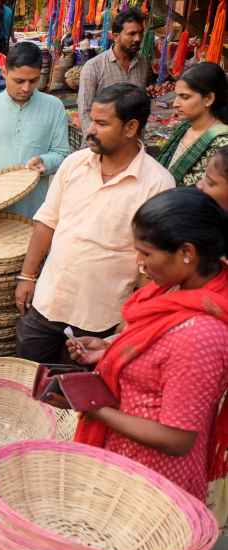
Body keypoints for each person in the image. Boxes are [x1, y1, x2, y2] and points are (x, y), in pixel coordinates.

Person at [63, 188, 228, 503]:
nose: (139, 264)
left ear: (187, 253)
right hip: (126, 458)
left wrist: (96, 411)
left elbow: (177, 438)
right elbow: (157, 351)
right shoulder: (179, 290)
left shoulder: (200, 336)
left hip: (153, 480)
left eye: (146, 253)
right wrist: (110, 347)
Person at [15, 83, 175, 363]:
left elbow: (149, 266)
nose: (89, 129)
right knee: (29, 384)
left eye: (102, 123)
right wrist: (27, 276)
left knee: (73, 398)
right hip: (47, 302)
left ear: (130, 127)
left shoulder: (157, 184)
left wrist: (128, 323)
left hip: (98, 319)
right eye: (92, 120)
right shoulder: (75, 164)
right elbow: (47, 221)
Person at [0, 43, 70, 217]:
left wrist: (45, 162)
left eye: (33, 81)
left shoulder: (54, 107)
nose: (26, 88)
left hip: (33, 208)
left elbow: (61, 153)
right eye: (19, 81)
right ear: (4, 73)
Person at [77, 8, 149, 133]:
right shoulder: (94, 67)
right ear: (115, 36)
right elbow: (85, 111)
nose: (138, 39)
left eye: (140, 33)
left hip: (131, 143)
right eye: (132, 34)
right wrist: (99, 142)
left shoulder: (142, 64)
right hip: (103, 144)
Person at [156, 62, 228, 187]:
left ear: (209, 99)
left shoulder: (222, 143)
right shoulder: (184, 128)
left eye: (184, 97)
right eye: (176, 96)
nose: (175, 103)